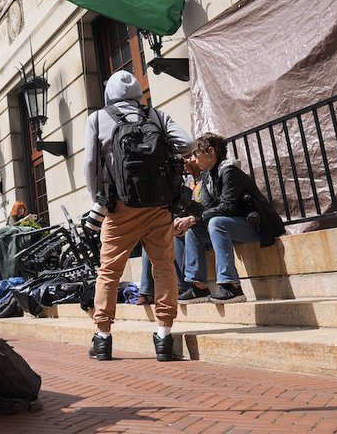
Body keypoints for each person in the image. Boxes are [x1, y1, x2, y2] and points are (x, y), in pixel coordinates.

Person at [83, 70, 194, 362]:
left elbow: (90, 165)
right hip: (158, 206)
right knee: (164, 267)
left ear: (109, 94)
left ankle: (104, 338)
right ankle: (163, 336)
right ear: (137, 93)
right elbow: (189, 144)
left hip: (120, 208)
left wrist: (100, 201)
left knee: (109, 271)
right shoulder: (157, 116)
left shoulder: (97, 119)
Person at [175, 132, 284, 304]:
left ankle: (231, 285)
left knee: (216, 223)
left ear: (210, 152)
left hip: (256, 226)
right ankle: (199, 287)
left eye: (196, 154)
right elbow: (206, 209)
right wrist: (185, 218)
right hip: (231, 228)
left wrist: (195, 219)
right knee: (194, 230)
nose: (194, 160)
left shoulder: (229, 171)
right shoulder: (207, 176)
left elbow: (228, 207)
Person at [136, 153, 203, 304]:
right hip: (187, 224)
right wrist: (176, 221)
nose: (185, 161)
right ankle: (147, 291)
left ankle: (183, 286)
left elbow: (208, 208)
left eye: (190, 157)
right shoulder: (188, 182)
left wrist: (190, 220)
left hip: (200, 226)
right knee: (152, 237)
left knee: (174, 237)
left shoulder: (207, 180)